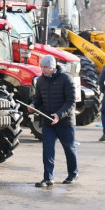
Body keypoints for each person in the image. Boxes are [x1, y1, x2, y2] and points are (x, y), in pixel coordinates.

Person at [32, 54, 78, 186]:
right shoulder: (40, 80)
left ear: (53, 67)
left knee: (69, 148)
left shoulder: (66, 79)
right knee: (47, 150)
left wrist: (59, 115)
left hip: (65, 122)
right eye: (42, 67)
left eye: (46, 67)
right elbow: (38, 99)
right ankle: (48, 178)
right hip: (48, 122)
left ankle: (73, 174)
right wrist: (33, 105)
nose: (43, 70)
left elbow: (71, 102)